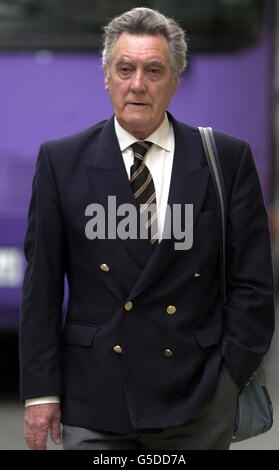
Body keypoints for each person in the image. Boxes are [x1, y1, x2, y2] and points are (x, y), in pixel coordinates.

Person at [20, 7, 274, 450]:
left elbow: (253, 284)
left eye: (154, 70)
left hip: (196, 398)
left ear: (175, 80)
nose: (138, 84)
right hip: (94, 398)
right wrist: (41, 392)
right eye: (125, 69)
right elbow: (40, 288)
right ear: (106, 77)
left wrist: (230, 377)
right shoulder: (61, 161)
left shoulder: (226, 160)